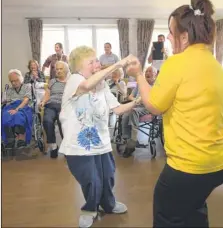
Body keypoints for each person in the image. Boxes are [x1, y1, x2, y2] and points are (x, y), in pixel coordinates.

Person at [125, 0, 223, 227]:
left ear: (184, 37)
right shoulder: (214, 63)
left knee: (168, 214)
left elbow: (154, 105)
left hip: (192, 166)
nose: (169, 41)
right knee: (193, 206)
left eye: (171, 35)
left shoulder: (177, 62)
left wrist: (137, 75)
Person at [59, 46, 140, 228]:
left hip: (101, 142)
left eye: (97, 60)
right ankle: (90, 209)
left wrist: (138, 101)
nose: (98, 63)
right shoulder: (75, 79)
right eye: (92, 61)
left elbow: (118, 109)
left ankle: (109, 204)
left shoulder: (102, 85)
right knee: (91, 180)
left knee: (108, 176)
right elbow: (87, 86)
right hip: (79, 145)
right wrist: (118, 64)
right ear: (80, 67)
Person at [122, 66, 157, 158]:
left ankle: (132, 141)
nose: (147, 73)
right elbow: (130, 97)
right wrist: (136, 100)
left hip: (147, 107)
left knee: (132, 111)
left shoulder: (157, 86)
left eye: (150, 71)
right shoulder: (140, 84)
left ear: (155, 75)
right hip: (136, 104)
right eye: (146, 71)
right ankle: (127, 138)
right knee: (125, 113)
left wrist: (144, 100)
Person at [40, 61, 70, 159]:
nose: (58, 71)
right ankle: (53, 146)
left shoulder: (70, 81)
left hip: (64, 105)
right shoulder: (52, 81)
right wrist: (43, 102)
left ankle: (67, 147)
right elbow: (47, 94)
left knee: (63, 123)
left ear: (66, 70)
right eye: (57, 69)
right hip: (51, 105)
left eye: (61, 69)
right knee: (47, 121)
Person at [1, 69, 33, 155]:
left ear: (21, 79)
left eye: (16, 80)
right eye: (12, 81)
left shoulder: (27, 86)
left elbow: (26, 100)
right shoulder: (10, 90)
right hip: (11, 106)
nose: (14, 83)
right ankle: (10, 139)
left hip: (23, 106)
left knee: (19, 115)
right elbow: (7, 102)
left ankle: (21, 139)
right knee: (5, 115)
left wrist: (17, 109)